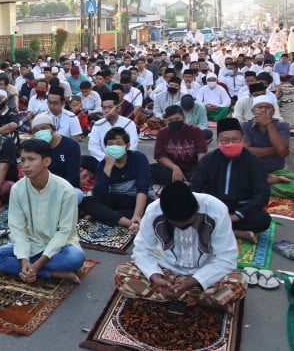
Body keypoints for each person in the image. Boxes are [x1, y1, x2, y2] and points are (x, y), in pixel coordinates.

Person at [115, 182, 246, 311]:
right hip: (166, 271)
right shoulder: (153, 210)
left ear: (197, 207)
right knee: (122, 274)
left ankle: (175, 296)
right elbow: (141, 250)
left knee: (238, 283)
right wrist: (157, 280)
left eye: (187, 224)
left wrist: (192, 282)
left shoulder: (216, 209)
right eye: (176, 225)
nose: (181, 228)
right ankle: (201, 300)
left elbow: (226, 258)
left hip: (204, 272)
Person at [0, 139, 85, 284]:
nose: (25, 165)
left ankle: (32, 268)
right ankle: (52, 273)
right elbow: (17, 228)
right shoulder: (18, 189)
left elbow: (65, 232)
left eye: (31, 159)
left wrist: (38, 264)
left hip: (58, 248)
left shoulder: (65, 190)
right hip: (30, 244)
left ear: (47, 161)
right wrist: (23, 259)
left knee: (76, 257)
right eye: (23, 160)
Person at [191, 117, 272, 242]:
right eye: (225, 140)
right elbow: (195, 187)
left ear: (243, 139)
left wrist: (237, 215)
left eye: (235, 140)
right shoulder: (209, 160)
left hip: (240, 210)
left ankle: (215, 230)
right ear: (218, 141)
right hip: (213, 208)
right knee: (185, 213)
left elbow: (262, 194)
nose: (230, 144)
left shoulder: (254, 162)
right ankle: (236, 233)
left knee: (263, 220)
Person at [80, 127, 150, 232]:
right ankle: (129, 223)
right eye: (110, 144)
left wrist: (137, 215)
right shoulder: (104, 163)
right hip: (116, 199)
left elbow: (142, 188)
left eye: (118, 144)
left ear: (127, 146)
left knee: (153, 208)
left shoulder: (138, 158)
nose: (114, 147)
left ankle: (105, 215)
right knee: (86, 202)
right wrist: (108, 166)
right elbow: (99, 195)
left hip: (137, 199)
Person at [151, 105, 208, 186]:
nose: (174, 121)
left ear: (184, 118)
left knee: (205, 174)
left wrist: (200, 171)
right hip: (170, 169)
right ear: (166, 121)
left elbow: (201, 154)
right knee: (150, 169)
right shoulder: (162, 133)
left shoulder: (196, 131)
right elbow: (160, 156)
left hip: (191, 169)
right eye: (170, 120)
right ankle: (186, 184)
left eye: (177, 119)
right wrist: (175, 168)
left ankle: (179, 183)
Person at [30, 114, 82, 202]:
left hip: (66, 188)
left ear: (53, 128)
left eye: (43, 128)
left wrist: (53, 191)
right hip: (42, 188)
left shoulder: (71, 145)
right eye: (36, 130)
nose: (40, 132)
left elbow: (73, 177)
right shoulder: (35, 148)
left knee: (76, 195)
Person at [83, 92, 138, 172]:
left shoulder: (129, 123)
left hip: (124, 161)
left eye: (110, 107)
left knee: (138, 160)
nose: (107, 111)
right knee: (84, 160)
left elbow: (132, 146)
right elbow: (93, 147)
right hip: (104, 161)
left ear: (118, 108)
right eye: (104, 108)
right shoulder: (98, 124)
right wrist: (108, 160)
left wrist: (119, 160)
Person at [241, 94, 291, 183]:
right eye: (259, 107)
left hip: (277, 171)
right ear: (253, 111)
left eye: (267, 107)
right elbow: (246, 152)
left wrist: (268, 124)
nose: (263, 110)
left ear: (273, 111)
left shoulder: (281, 125)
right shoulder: (245, 126)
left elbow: (283, 153)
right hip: (251, 171)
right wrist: (276, 150)